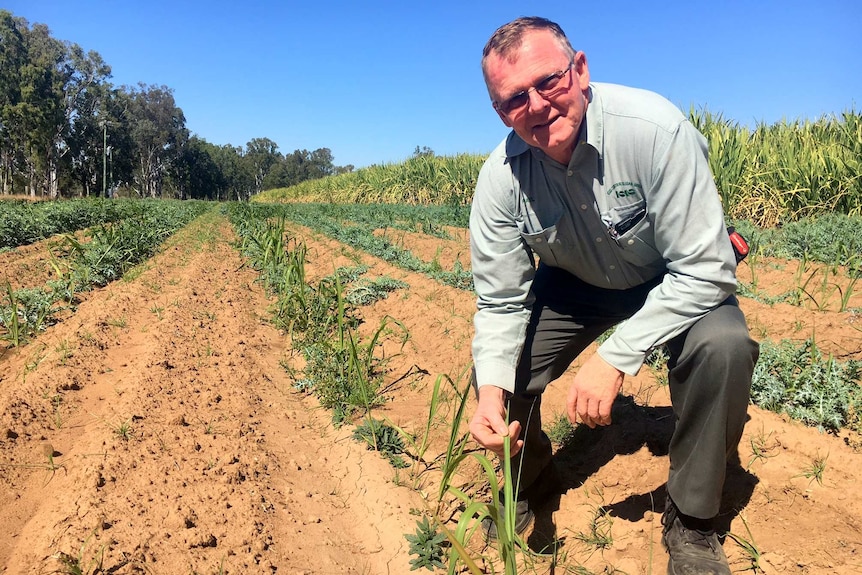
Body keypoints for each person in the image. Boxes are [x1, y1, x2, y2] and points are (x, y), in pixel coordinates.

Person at [467, 16, 759, 575]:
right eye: (513, 99)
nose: (536, 105)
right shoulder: (501, 181)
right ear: (500, 112)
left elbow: (706, 268)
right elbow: (501, 303)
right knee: (499, 369)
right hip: (576, 285)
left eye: (548, 81)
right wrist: (490, 396)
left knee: (723, 345)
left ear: (579, 70)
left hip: (671, 275)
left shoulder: (653, 130)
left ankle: (692, 523)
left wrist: (616, 355)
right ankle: (529, 483)